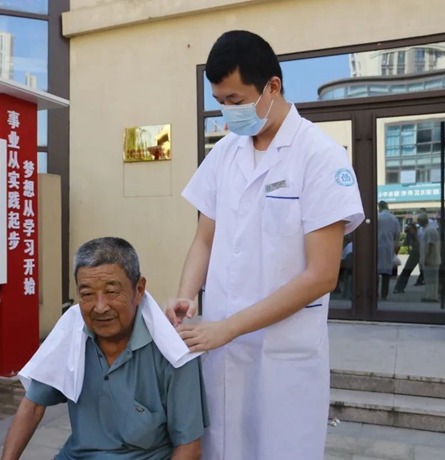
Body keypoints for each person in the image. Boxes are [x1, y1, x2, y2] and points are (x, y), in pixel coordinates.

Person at [164, 31, 365, 460]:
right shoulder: (224, 155)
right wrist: (185, 294)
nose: (227, 112)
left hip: (282, 354)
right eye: (220, 101)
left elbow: (321, 275)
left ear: (272, 87)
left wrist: (228, 327)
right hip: (221, 348)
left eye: (236, 101)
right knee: (222, 447)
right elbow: (204, 238)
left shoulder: (319, 156)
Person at [1, 237, 207, 460]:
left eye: (111, 291)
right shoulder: (72, 333)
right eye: (87, 294)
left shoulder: (172, 351)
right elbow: (32, 407)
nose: (99, 308)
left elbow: (189, 448)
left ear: (139, 290)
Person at [377, 201, 401, 300]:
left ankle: (375, 294)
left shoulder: (377, 217)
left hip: (377, 246)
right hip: (388, 247)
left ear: (380, 207)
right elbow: (397, 235)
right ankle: (384, 295)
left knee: (375, 273)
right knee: (386, 274)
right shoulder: (394, 218)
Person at [418, 213, 441, 303]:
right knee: (429, 279)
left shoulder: (430, 230)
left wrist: (427, 258)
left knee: (432, 280)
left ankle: (432, 297)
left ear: (422, 221)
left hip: (431, 259)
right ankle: (429, 296)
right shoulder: (427, 230)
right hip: (429, 259)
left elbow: (431, 245)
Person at [393, 223, 420, 294]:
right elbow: (406, 243)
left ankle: (399, 287)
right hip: (415, 253)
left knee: (406, 271)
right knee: (406, 271)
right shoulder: (412, 236)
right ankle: (399, 287)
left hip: (417, 253)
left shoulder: (418, 235)